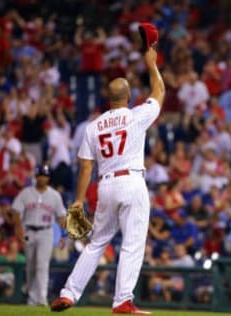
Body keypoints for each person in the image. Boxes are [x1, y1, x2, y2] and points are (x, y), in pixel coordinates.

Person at [50, 46, 165, 315]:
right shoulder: (136, 115)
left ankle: (68, 293)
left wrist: (79, 200)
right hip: (131, 182)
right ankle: (122, 300)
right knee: (133, 243)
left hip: (106, 185)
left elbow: (85, 167)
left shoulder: (93, 126)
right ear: (129, 97)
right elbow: (159, 92)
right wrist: (151, 64)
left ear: (108, 98)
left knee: (96, 243)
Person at [12, 165, 66, 306]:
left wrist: (63, 235)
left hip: (46, 232)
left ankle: (41, 297)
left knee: (42, 265)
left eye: (45, 175)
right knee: (31, 264)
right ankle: (31, 295)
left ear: (48, 178)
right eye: (40, 175)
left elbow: (61, 216)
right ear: (35, 177)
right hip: (28, 231)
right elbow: (16, 211)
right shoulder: (26, 193)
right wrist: (18, 228)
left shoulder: (54, 195)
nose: (42, 178)